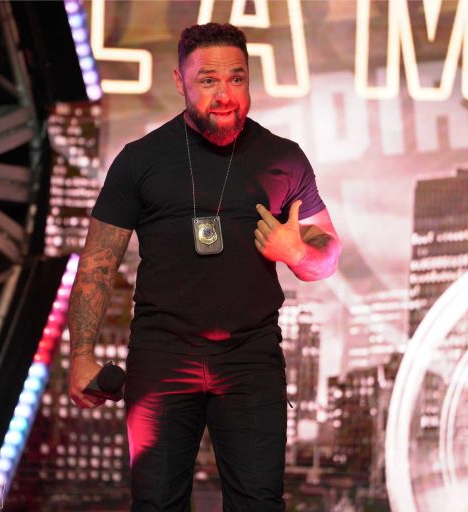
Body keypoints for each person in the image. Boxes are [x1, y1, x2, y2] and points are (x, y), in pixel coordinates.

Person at [68, 22, 342, 511]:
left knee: (259, 505)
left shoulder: (284, 158)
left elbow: (326, 251)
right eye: (208, 80)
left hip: (250, 357)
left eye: (236, 78)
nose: (224, 95)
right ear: (180, 81)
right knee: (156, 504)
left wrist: (298, 252)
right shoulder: (140, 160)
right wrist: (81, 353)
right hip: (163, 354)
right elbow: (98, 263)